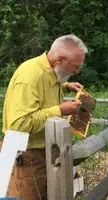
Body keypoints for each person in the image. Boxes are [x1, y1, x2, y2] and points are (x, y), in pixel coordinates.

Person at [2, 34, 88, 200]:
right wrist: (60, 110)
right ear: (60, 60)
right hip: (27, 154)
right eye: (75, 67)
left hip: (44, 150)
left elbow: (44, 88)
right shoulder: (29, 77)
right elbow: (18, 124)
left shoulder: (50, 71)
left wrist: (65, 86)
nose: (76, 72)